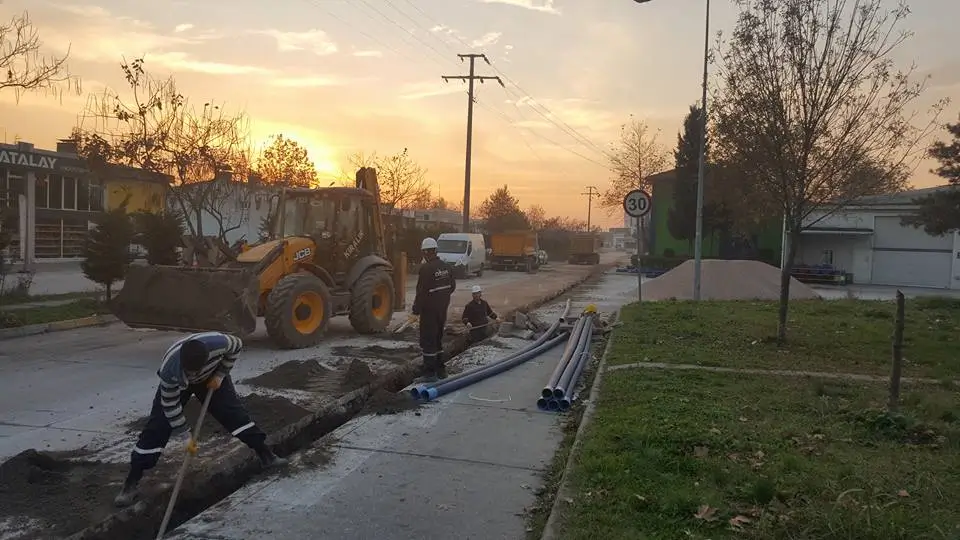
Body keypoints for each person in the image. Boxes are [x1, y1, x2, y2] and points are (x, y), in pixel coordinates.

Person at [114, 332, 288, 507]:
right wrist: (185, 436)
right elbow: (170, 406)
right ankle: (130, 484)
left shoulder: (220, 343)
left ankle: (267, 456)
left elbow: (237, 345)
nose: (192, 376)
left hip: (212, 376)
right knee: (157, 427)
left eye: (195, 372)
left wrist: (220, 374)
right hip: (178, 385)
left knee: (234, 415)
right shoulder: (170, 371)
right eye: (189, 372)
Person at [412, 237, 456, 380]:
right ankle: (441, 370)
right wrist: (441, 299)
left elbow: (421, 293)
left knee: (428, 341)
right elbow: (452, 287)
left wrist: (416, 310)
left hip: (429, 311)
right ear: (435, 250)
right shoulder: (446, 266)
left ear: (425, 252)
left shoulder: (426, 269)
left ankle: (429, 373)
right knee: (438, 339)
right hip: (442, 309)